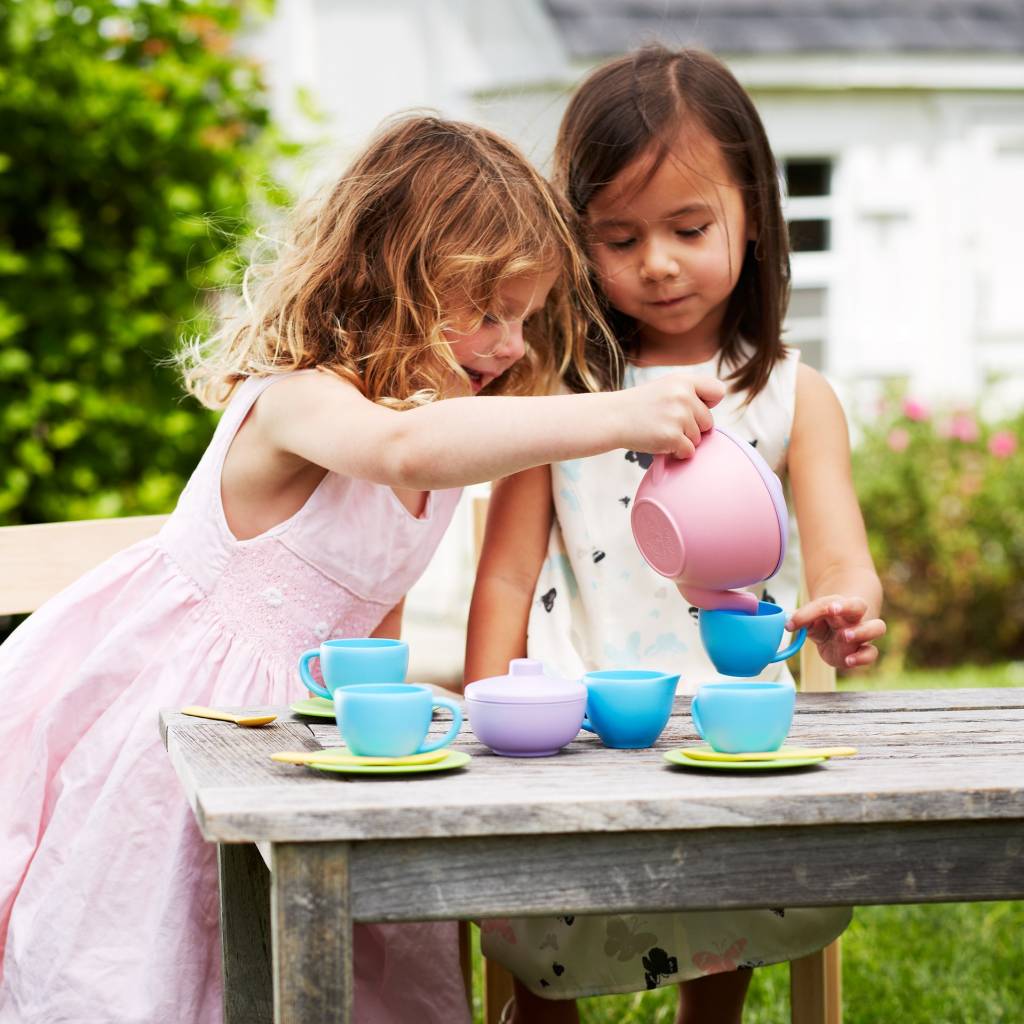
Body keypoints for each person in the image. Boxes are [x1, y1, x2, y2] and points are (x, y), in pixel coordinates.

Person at [0, 114, 729, 1024]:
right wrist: (619, 415)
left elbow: (375, 613)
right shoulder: (300, 399)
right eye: (489, 312)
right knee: (163, 961)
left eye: (526, 318)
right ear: (397, 280)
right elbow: (402, 449)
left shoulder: (438, 446)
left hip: (313, 750)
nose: (510, 345)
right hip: (181, 730)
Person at [466, 47, 886, 1024]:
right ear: (576, 242)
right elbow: (504, 574)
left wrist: (844, 613)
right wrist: (486, 714)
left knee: (729, 903)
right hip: (566, 728)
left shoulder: (788, 391)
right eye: (617, 237)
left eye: (689, 227)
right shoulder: (558, 396)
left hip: (729, 729)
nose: (655, 261)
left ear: (753, 215)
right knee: (536, 932)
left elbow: (840, 561)